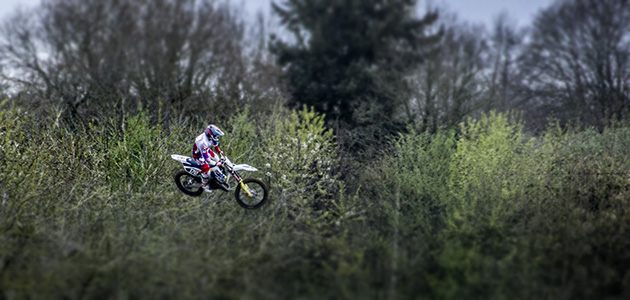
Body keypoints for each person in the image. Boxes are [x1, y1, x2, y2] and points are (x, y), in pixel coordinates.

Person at [192, 124, 227, 192]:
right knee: (206, 170)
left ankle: (216, 173)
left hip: (206, 150)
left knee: (216, 157)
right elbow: (207, 159)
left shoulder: (210, 137)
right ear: (210, 134)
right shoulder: (202, 142)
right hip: (199, 156)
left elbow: (215, 143)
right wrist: (216, 163)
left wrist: (218, 150)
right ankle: (204, 185)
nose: (216, 137)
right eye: (215, 135)